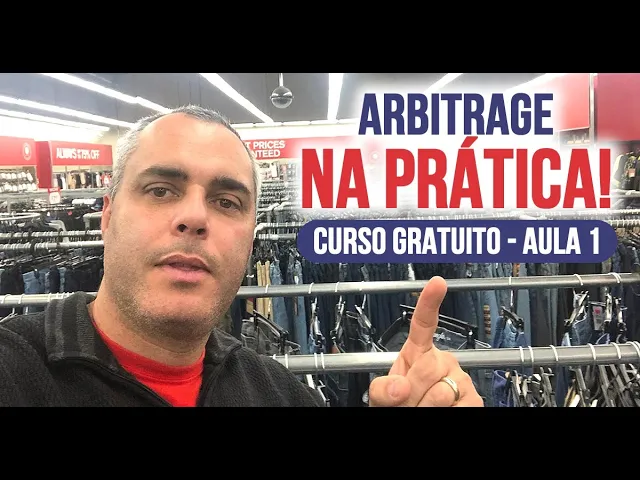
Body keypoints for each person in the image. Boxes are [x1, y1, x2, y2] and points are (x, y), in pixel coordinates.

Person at [0, 105, 483, 407]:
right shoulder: (14, 372)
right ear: (107, 216)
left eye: (227, 202)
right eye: (161, 190)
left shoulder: (283, 395)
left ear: (251, 241)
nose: (195, 217)